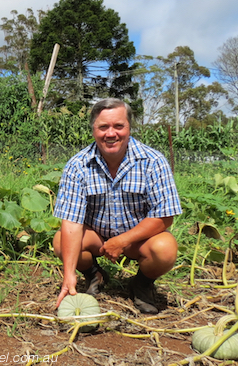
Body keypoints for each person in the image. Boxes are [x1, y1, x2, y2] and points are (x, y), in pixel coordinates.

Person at [52, 98, 182, 314]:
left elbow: (165, 216)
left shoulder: (153, 161)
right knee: (60, 242)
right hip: (97, 238)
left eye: (118, 126)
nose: (110, 133)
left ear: (129, 128)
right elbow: (72, 223)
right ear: (93, 130)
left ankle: (142, 283)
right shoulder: (77, 166)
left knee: (165, 249)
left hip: (137, 241)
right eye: (103, 127)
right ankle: (94, 274)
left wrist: (122, 241)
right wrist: (69, 274)